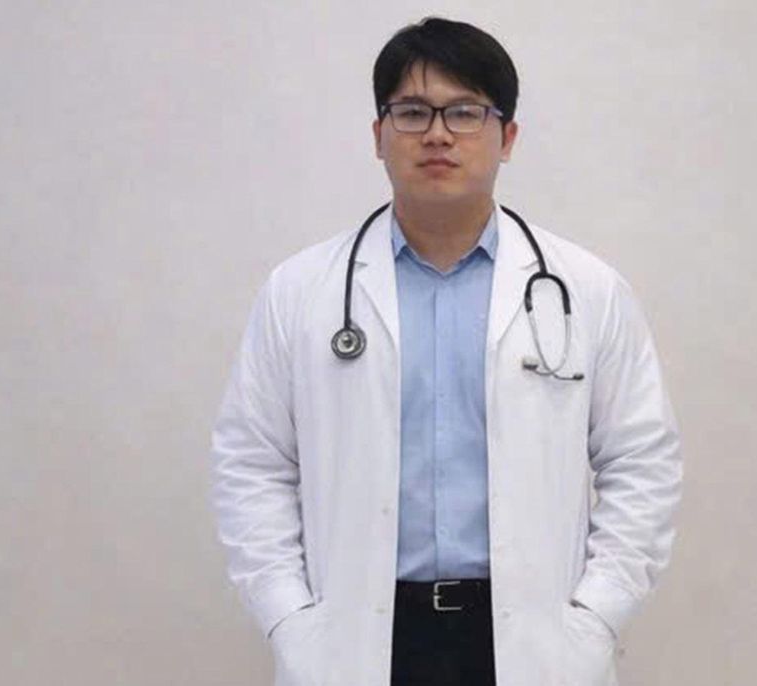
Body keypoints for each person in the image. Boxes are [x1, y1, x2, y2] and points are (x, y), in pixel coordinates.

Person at [209, 16, 682, 686]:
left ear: (507, 137)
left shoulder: (588, 289)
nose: (437, 133)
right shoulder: (299, 291)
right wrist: (287, 616)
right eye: (412, 112)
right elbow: (251, 464)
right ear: (378, 135)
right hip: (356, 637)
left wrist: (597, 613)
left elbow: (642, 461)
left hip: (532, 639)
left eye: (465, 112)